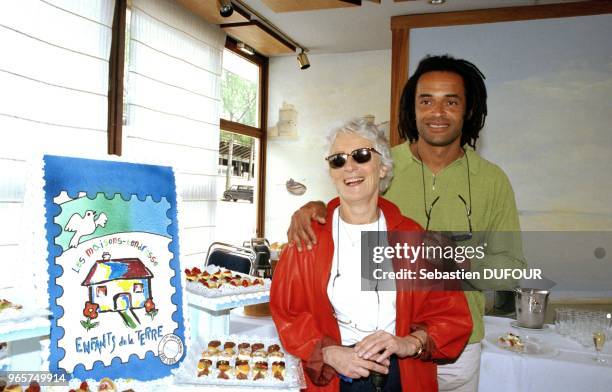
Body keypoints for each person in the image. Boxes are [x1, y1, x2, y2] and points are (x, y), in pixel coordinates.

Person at [287, 55, 527, 391]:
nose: (437, 112)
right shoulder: (375, 161)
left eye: (451, 101)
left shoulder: (492, 180)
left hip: (458, 346)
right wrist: (312, 208)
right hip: (376, 351)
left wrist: (458, 264)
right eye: (426, 101)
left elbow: (512, 268)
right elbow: (345, 205)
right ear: (412, 109)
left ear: (468, 110)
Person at [271, 119, 472, 392]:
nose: (349, 167)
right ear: (331, 173)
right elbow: (288, 313)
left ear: (383, 167)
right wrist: (329, 353)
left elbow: (452, 317)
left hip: (402, 376)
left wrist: (408, 343)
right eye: (337, 160)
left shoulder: (417, 238)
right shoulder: (308, 238)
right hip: (334, 377)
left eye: (362, 156)